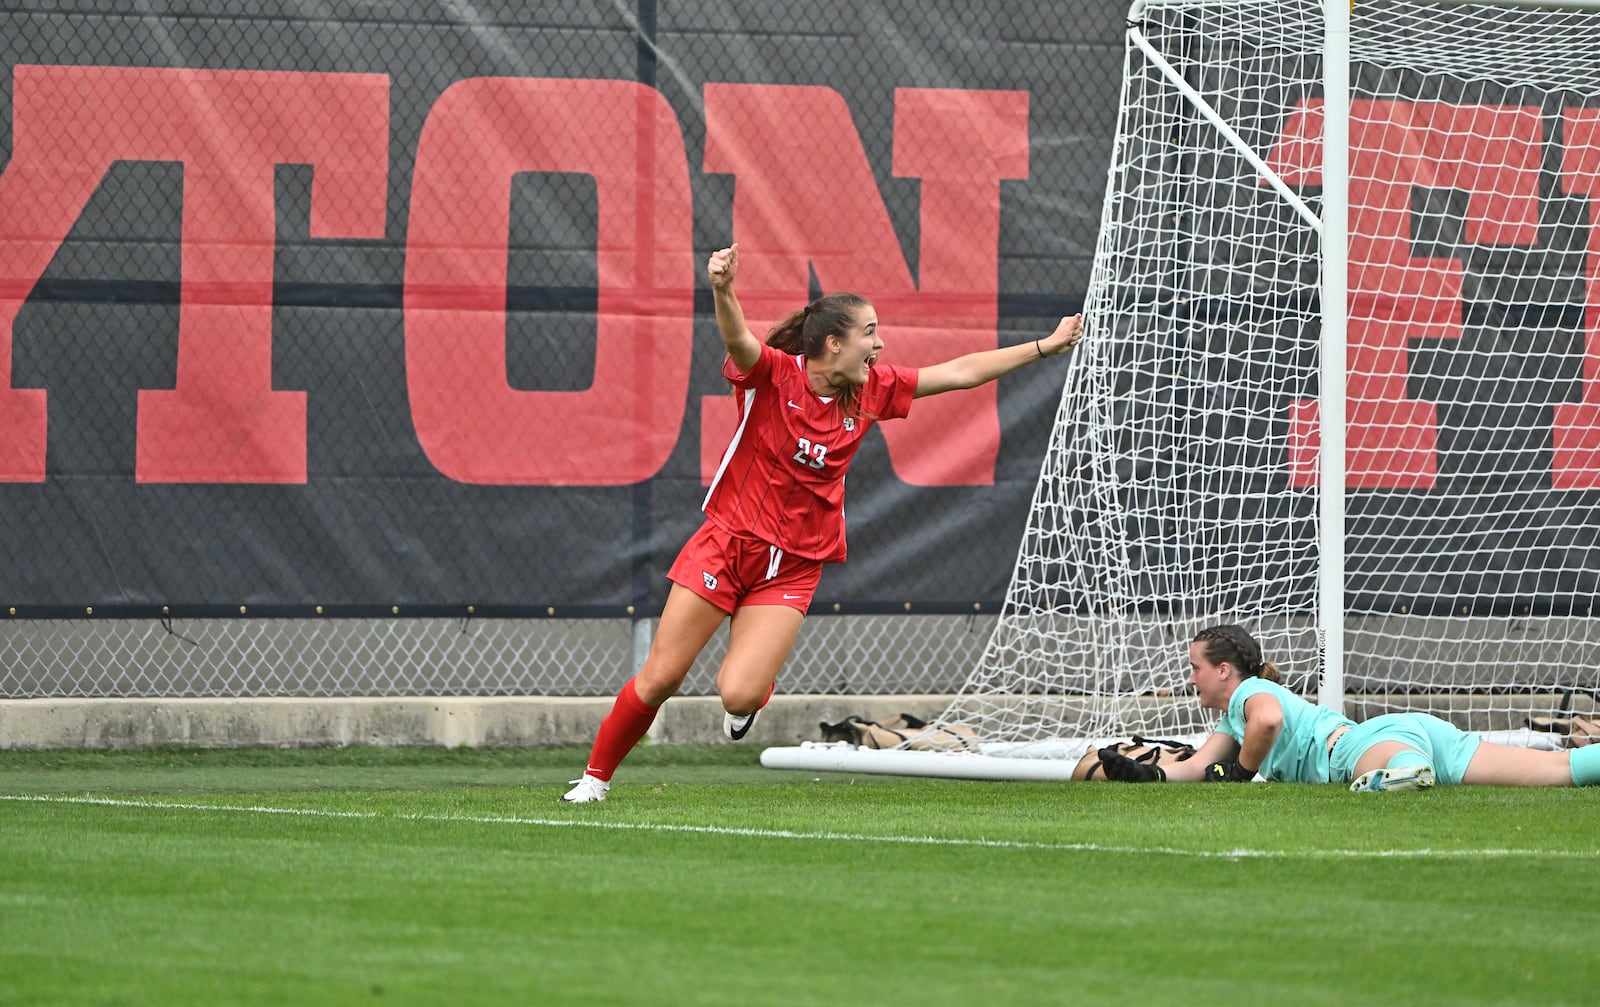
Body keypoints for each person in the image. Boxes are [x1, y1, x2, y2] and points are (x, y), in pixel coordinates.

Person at [561, 243, 1086, 802]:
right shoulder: (774, 376)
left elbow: (958, 373)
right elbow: (740, 343)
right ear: (833, 343)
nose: (879, 345)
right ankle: (594, 780)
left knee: (738, 695)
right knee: (662, 677)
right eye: (870, 332)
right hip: (726, 543)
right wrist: (723, 288)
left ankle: (752, 698)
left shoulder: (869, 390)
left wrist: (1044, 348)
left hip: (793, 564)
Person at [1098, 623, 1600, 790]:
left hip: (1360, 747)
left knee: (1401, 766)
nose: (1191, 679)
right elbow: (1204, 767)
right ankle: (1407, 768)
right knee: (1564, 768)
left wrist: (1244, 771)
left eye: (1196, 668)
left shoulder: (1252, 695)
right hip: (1412, 730)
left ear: (1224, 671)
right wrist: (1153, 778)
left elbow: (1266, 725)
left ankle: (1404, 772)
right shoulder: (1237, 716)